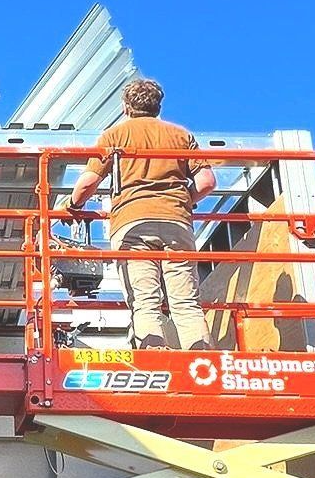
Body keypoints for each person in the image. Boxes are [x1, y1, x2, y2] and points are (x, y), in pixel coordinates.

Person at [59, 78, 217, 349]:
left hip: (132, 225)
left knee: (145, 300)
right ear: (158, 106)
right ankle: (201, 359)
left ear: (125, 107)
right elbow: (207, 182)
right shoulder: (181, 135)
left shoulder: (115, 136)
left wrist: (72, 206)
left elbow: (87, 184)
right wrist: (184, 202)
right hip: (177, 223)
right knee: (186, 302)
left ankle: (154, 356)